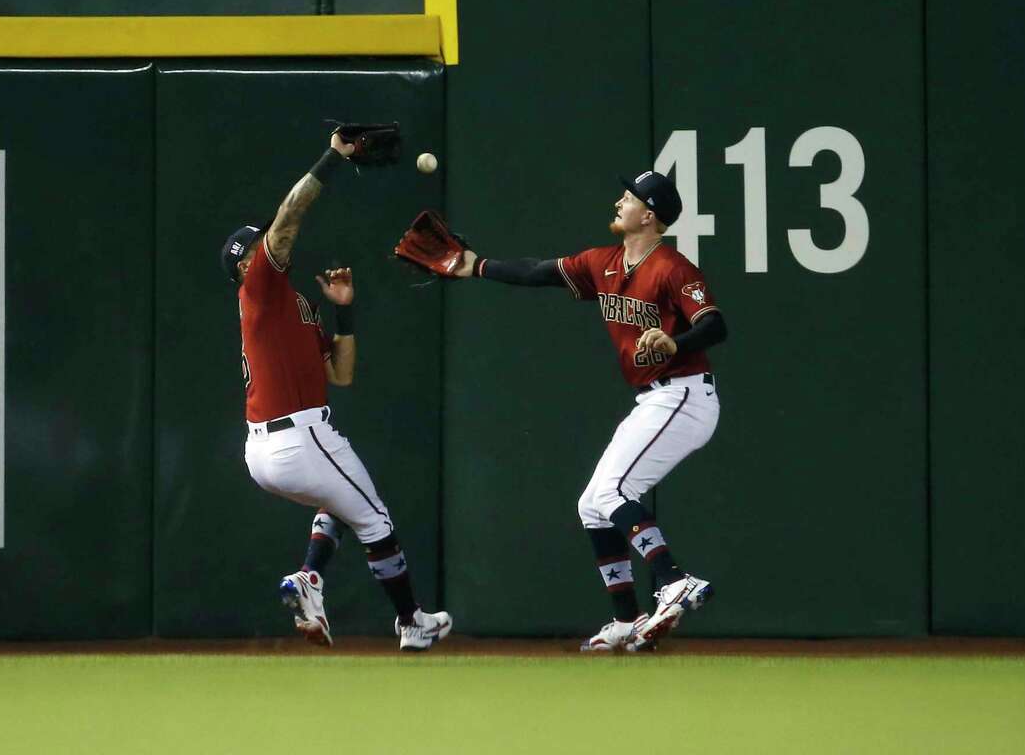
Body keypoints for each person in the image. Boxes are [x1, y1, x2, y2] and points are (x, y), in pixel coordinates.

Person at [452, 170, 727, 651]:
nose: (620, 200)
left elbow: (715, 325)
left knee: (616, 489)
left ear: (651, 215)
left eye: (631, 196)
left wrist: (674, 340)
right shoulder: (603, 262)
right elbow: (538, 272)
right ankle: (626, 618)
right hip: (655, 398)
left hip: (685, 394)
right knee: (593, 504)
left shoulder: (673, 267)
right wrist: (475, 265)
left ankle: (673, 579)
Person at [219, 132, 452, 651]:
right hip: (296, 436)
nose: (270, 245)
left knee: (342, 505)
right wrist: (334, 158)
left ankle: (310, 578)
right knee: (376, 521)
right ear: (245, 264)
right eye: (258, 245)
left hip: (269, 448)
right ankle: (412, 621)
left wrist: (344, 307)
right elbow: (289, 217)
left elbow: (341, 374)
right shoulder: (257, 286)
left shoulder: (291, 306)